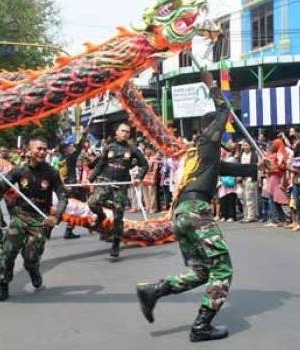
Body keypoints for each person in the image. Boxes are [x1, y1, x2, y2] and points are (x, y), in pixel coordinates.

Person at [135, 69, 257, 342]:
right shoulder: (208, 143)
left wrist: (261, 168)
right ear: (212, 128)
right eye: (220, 129)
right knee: (223, 268)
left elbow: (233, 168)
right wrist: (213, 87)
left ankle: (154, 290)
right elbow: (224, 110)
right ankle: (201, 326)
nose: (224, 134)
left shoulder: (202, 157)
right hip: (195, 212)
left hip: (182, 214)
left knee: (201, 271)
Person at [0, 137, 68, 302]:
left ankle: (33, 269)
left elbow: (63, 196)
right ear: (28, 151)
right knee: (8, 252)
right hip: (20, 216)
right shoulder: (19, 171)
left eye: (44, 149)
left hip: (40, 220)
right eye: (38, 149)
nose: (42, 152)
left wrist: (56, 216)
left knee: (31, 256)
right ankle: (3, 285)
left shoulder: (52, 173)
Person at [87, 122, 148, 258]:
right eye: (122, 131)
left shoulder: (133, 150)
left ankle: (116, 244)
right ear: (117, 132)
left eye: (127, 131)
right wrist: (89, 179)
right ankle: (101, 216)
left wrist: (139, 177)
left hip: (121, 184)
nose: (125, 133)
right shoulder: (109, 147)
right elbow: (99, 165)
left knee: (118, 215)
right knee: (92, 203)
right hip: (105, 182)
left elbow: (144, 165)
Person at [59, 128, 91, 239]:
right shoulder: (71, 157)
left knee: (71, 208)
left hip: (74, 185)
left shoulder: (69, 157)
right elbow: (80, 145)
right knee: (77, 207)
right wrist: (85, 133)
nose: (72, 147)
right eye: (69, 146)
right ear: (66, 150)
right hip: (75, 186)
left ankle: (67, 230)